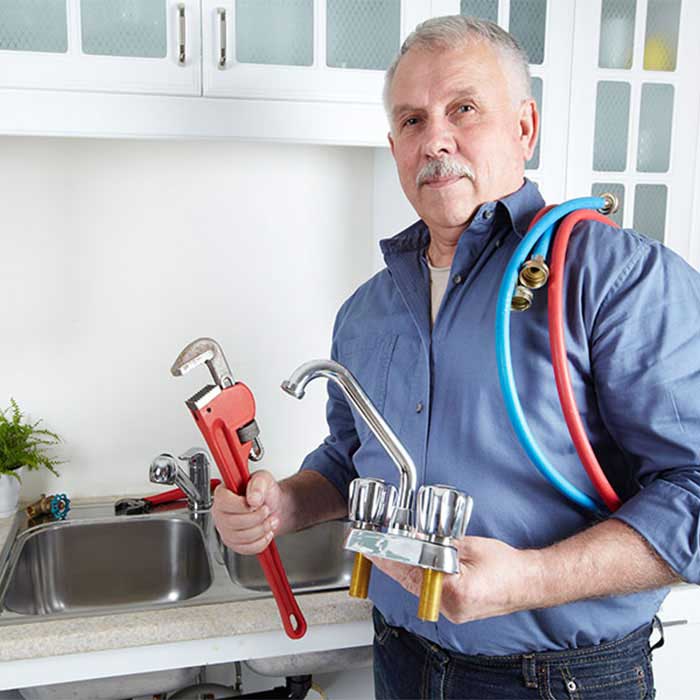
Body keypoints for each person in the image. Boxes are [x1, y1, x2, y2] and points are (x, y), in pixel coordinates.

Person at [213, 15, 700, 699]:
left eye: (463, 109)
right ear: (395, 147)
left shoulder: (615, 277)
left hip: (561, 679)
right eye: (412, 120)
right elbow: (352, 460)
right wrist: (285, 504)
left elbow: (693, 491)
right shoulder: (366, 310)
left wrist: (531, 579)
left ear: (524, 127)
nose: (435, 138)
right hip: (401, 658)